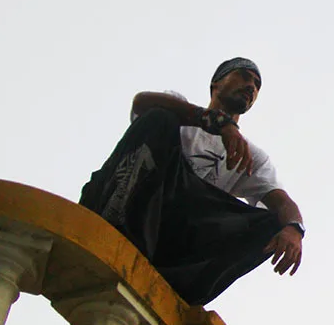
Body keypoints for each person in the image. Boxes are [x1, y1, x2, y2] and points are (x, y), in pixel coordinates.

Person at [78, 57, 305, 305]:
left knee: (275, 223)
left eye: (257, 84)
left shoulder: (253, 156)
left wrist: (295, 229)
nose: (251, 86)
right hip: (142, 207)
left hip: (179, 233)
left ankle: (183, 285)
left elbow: (283, 203)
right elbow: (141, 102)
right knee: (159, 118)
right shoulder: (179, 112)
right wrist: (215, 121)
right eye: (243, 75)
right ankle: (118, 229)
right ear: (216, 84)